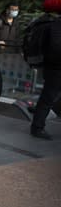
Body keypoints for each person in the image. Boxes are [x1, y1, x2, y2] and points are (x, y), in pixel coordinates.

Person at [29, 11, 61, 140]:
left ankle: (38, 122)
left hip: (54, 66)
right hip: (56, 68)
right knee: (48, 97)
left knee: (49, 97)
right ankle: (37, 127)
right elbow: (56, 48)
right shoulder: (57, 26)